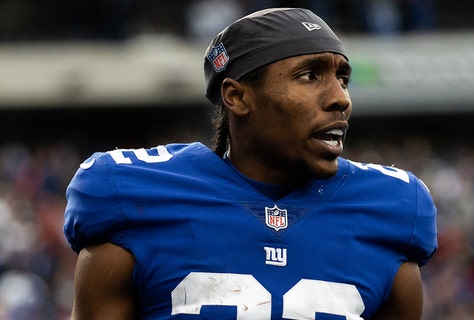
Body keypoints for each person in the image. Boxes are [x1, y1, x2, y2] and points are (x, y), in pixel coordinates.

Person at [63, 7, 438, 319]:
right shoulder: (131, 195)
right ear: (237, 97)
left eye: (343, 78)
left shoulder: (392, 209)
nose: (340, 98)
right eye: (310, 75)